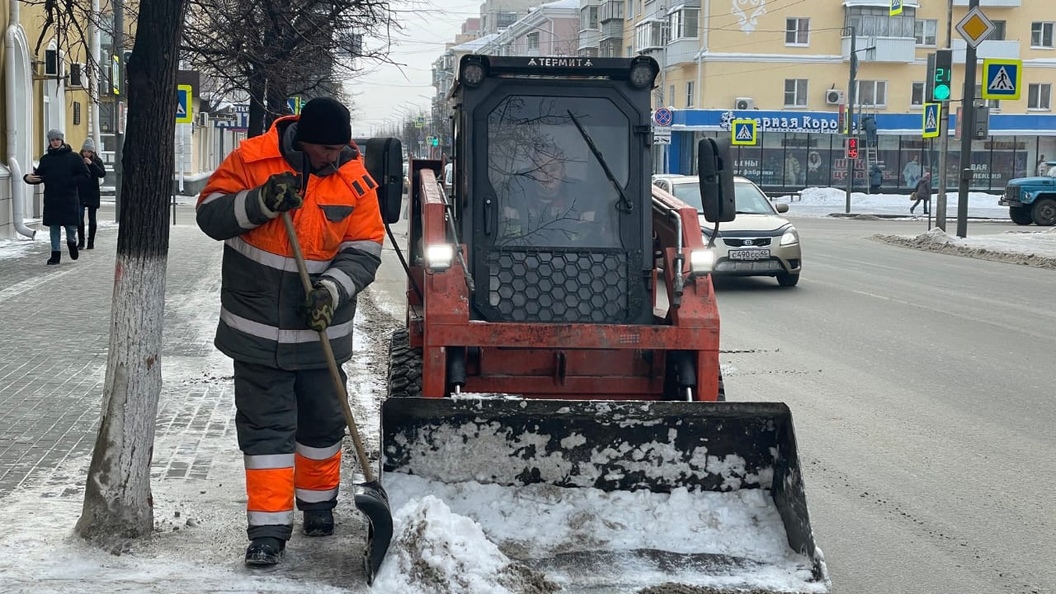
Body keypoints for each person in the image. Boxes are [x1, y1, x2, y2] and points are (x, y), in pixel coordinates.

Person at [195, 97, 385, 567]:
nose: (332, 158)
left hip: (322, 330)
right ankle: (267, 532)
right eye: (325, 149)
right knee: (266, 434)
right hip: (256, 329)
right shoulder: (252, 159)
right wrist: (259, 202)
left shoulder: (356, 181)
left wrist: (330, 292)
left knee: (322, 423)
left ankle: (319, 506)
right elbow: (209, 215)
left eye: (340, 149)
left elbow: (364, 251)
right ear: (303, 139)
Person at [500, 156, 607, 247]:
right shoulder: (510, 196)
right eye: (540, 168)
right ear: (531, 172)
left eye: (553, 168)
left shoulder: (587, 200)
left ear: (563, 171)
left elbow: (599, 242)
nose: (547, 174)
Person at [24, 129, 89, 265]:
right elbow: (39, 176)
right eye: (52, 140)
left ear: (62, 140)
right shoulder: (46, 159)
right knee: (54, 227)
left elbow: (85, 175)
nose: (55, 142)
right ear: (49, 142)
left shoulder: (73, 157)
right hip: (52, 198)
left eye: (57, 140)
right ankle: (55, 254)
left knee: (71, 228)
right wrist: (27, 178)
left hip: (69, 198)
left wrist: (71, 181)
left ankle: (72, 243)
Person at [77, 138, 106, 249]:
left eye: (89, 152)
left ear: (92, 152)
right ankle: (81, 241)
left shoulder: (97, 161)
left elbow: (102, 173)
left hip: (92, 193)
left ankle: (91, 242)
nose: (86, 154)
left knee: (92, 218)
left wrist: (91, 164)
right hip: (80, 192)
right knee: (79, 217)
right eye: (85, 151)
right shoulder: (79, 160)